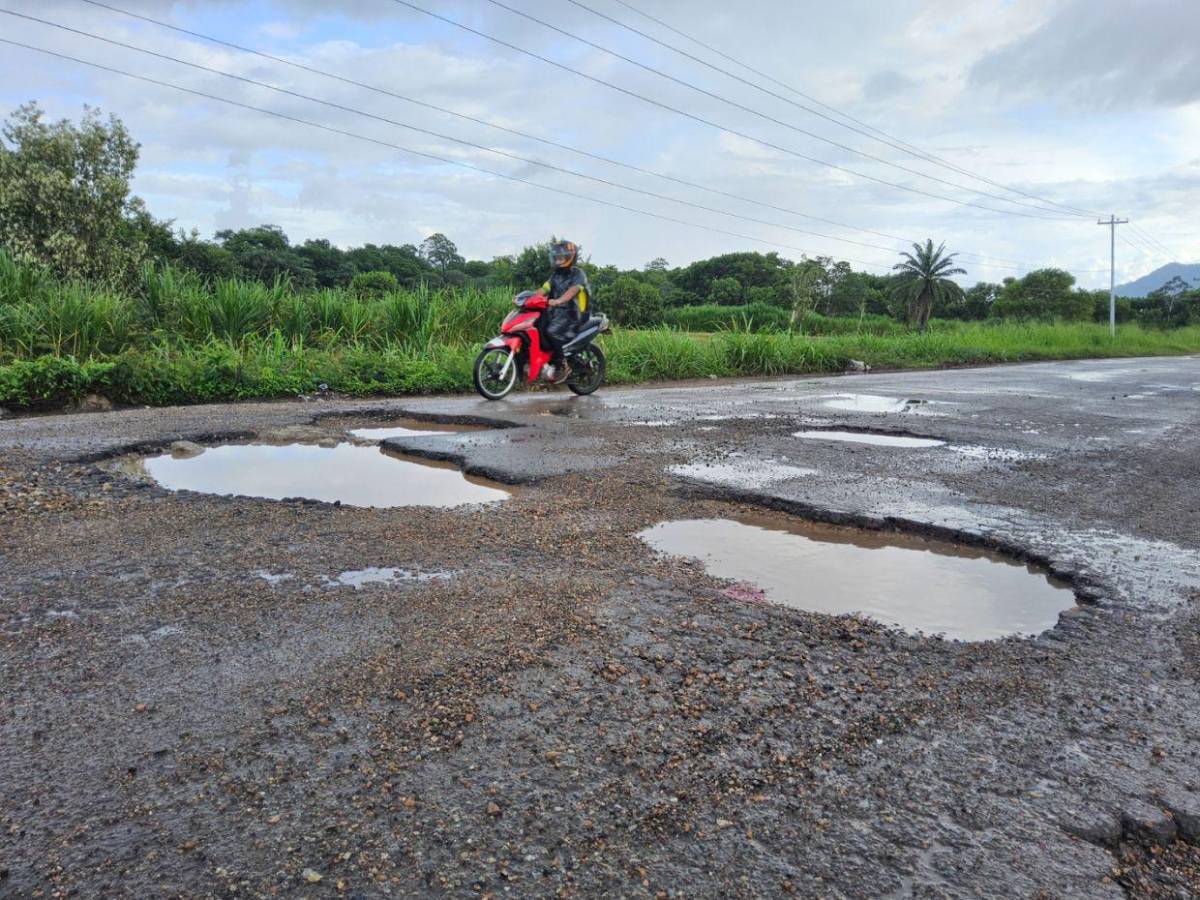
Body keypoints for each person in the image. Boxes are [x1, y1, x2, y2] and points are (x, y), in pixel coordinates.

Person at [537, 240, 591, 383]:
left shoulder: (578, 274)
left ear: (570, 257)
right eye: (556, 257)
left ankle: (562, 365)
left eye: (560, 257)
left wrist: (559, 300)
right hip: (556, 313)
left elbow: (573, 290)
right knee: (537, 327)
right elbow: (544, 289)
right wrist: (528, 299)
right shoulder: (555, 276)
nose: (557, 260)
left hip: (574, 314)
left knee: (551, 331)